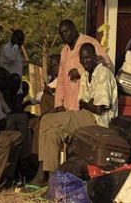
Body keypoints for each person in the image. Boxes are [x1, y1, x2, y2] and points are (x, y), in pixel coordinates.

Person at [31, 43, 118, 185]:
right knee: (53, 133)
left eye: (88, 58)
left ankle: (41, 172)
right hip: (86, 114)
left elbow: (99, 109)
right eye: (82, 59)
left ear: (95, 58)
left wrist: (87, 104)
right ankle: (53, 179)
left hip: (98, 121)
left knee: (46, 120)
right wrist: (87, 104)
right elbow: (82, 103)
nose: (85, 62)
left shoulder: (103, 73)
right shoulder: (86, 75)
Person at [54, 20, 110, 111]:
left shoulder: (89, 43)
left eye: (66, 31)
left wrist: (80, 71)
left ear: (74, 29)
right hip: (69, 107)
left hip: (88, 107)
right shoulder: (64, 51)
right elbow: (61, 80)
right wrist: (59, 104)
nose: (64, 35)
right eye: (61, 33)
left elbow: (105, 64)